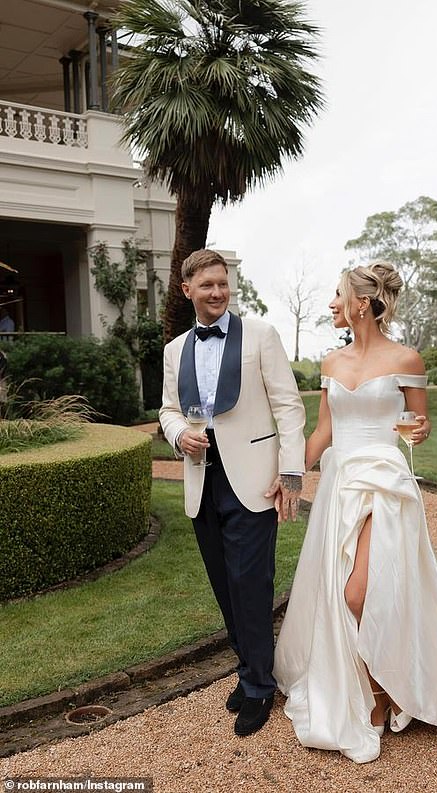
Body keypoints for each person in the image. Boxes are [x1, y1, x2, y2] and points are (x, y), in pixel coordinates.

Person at [274, 261, 437, 764]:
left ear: (361, 304)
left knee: (357, 593)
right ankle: (366, 679)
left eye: (338, 294)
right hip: (342, 482)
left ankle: (384, 691)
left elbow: (419, 421)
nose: (332, 303)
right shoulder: (330, 362)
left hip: (386, 482)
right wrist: (291, 474)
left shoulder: (407, 357)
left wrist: (418, 431)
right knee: (341, 587)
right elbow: (324, 431)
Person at [159, 249, 306, 737]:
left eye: (223, 283)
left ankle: (261, 687)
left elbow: (289, 408)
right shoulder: (175, 349)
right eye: (207, 286)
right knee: (225, 586)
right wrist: (180, 434)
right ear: (188, 291)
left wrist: (290, 474)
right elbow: (168, 410)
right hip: (203, 481)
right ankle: (249, 669)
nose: (218, 292)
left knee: (251, 584)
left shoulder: (261, 336)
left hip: (254, 482)